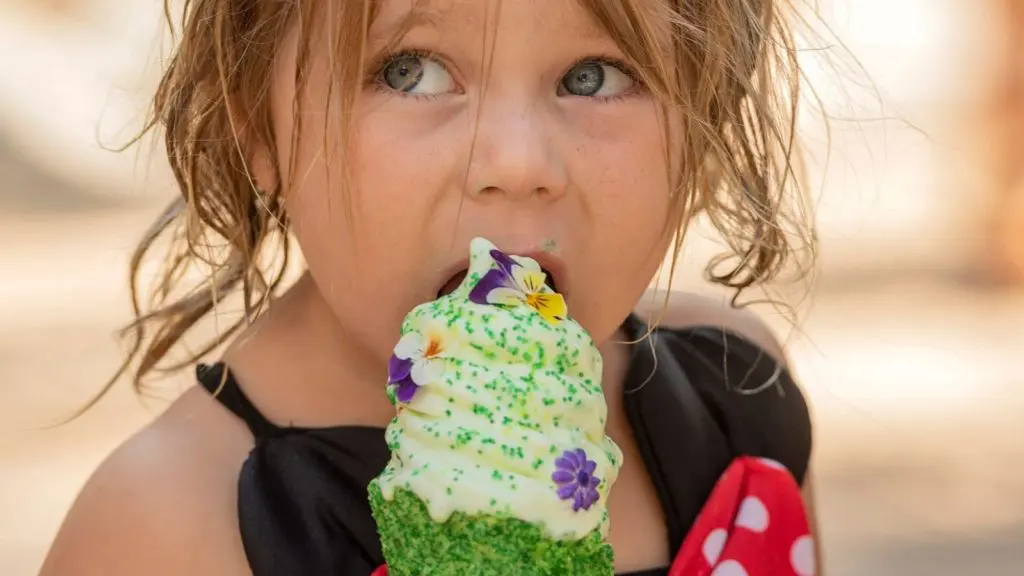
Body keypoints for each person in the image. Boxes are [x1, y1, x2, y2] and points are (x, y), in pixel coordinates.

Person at [41, 0, 820, 574]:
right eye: (409, 72)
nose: (517, 164)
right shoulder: (169, 526)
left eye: (593, 76)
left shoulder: (736, 402)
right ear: (255, 124)